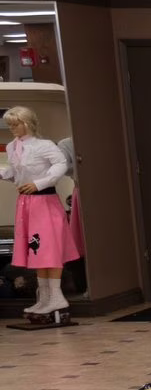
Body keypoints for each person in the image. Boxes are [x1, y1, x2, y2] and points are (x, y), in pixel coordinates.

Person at [2, 106, 78, 322]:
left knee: (48, 248)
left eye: (15, 124)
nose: (12, 129)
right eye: (10, 125)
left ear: (27, 123)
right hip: (26, 204)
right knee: (36, 249)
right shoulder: (12, 147)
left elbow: (61, 164)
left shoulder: (44, 146)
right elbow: (14, 172)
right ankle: (45, 297)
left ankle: (56, 296)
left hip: (45, 202)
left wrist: (39, 183)